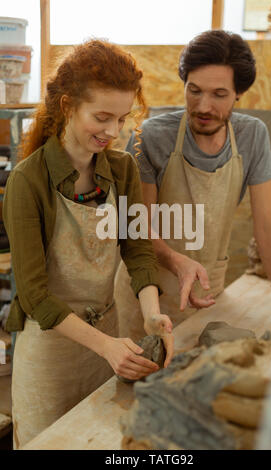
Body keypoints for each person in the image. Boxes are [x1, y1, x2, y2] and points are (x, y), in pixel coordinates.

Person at [3, 40, 173, 449]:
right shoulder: (28, 181)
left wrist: (152, 315)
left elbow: (138, 250)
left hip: (105, 343)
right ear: (66, 106)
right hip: (50, 355)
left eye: (122, 118)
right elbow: (34, 295)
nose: (113, 132)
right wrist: (108, 347)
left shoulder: (122, 168)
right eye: (101, 117)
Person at [115, 30, 271, 341]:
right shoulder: (151, 137)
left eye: (219, 94)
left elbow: (268, 227)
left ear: (238, 94)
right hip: (148, 292)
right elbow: (136, 226)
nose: (203, 106)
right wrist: (179, 263)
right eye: (194, 91)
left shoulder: (252, 136)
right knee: (144, 382)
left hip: (207, 291)